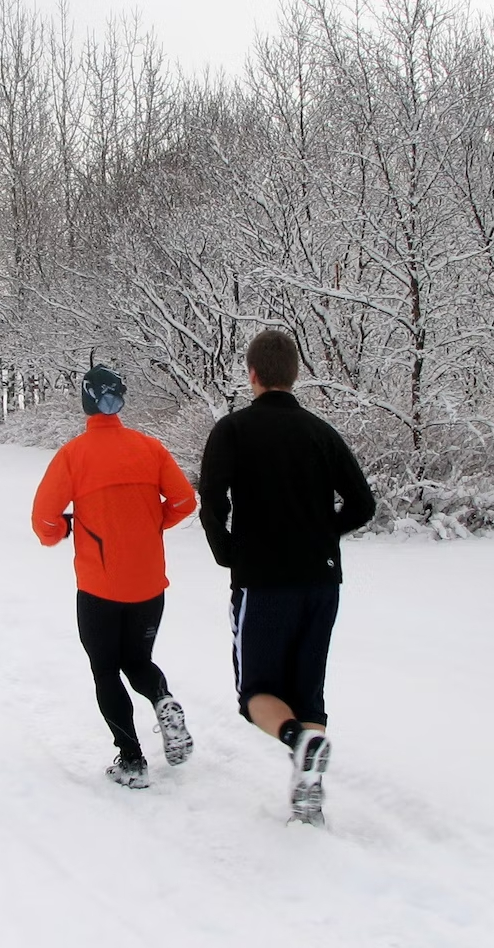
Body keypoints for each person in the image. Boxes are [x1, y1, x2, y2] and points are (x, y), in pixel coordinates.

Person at [198, 329, 375, 825]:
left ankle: (300, 743)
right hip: (321, 582)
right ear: (294, 375)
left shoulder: (231, 431)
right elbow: (363, 505)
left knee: (255, 693)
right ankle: (308, 786)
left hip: (263, 580)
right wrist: (321, 534)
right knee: (307, 689)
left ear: (252, 375)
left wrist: (229, 554)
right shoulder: (322, 433)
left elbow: (212, 503)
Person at [32, 365, 199, 789]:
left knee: (106, 670)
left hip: (99, 588)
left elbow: (43, 522)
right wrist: (146, 523)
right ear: (120, 401)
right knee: (137, 661)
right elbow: (184, 501)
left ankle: (132, 760)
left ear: (87, 403)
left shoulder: (74, 455)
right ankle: (163, 700)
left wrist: (67, 529)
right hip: (148, 585)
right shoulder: (150, 448)